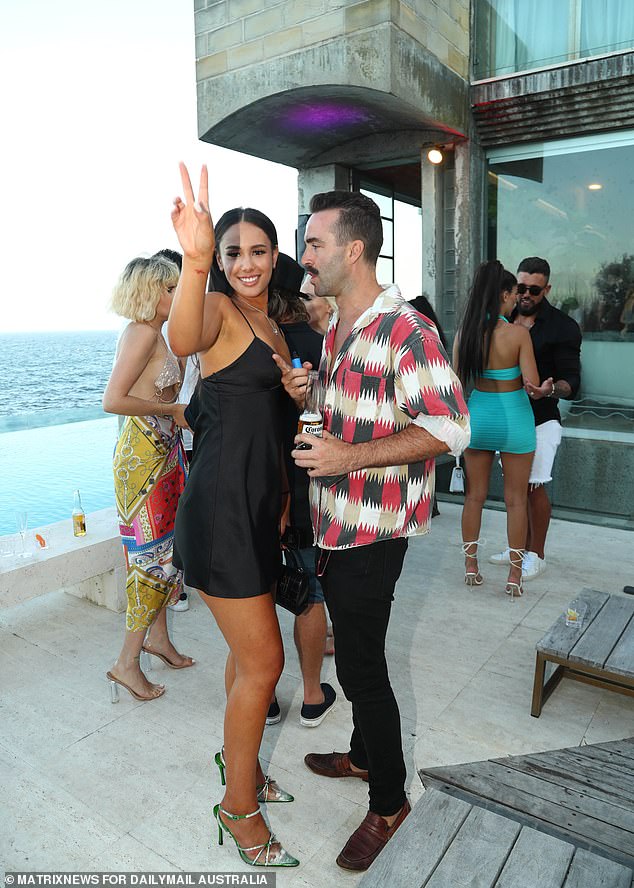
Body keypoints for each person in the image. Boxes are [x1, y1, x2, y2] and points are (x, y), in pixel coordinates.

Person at [273, 190, 470, 872]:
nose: (305, 257)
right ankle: (362, 756)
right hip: (334, 522)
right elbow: (358, 405)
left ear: (353, 249)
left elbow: (450, 428)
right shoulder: (337, 329)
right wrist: (311, 393)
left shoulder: (407, 331)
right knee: (354, 656)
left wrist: (348, 458)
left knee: (361, 667)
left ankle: (389, 802)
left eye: (314, 243)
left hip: (372, 532)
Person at [167, 164, 299, 869]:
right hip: (217, 511)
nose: (245, 263)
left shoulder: (270, 323)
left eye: (256, 251)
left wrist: (295, 385)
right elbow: (183, 338)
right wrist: (193, 268)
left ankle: (240, 772)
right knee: (265, 663)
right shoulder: (216, 307)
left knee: (246, 660)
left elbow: (268, 420)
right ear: (218, 260)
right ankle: (236, 808)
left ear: (274, 257)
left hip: (254, 509)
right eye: (231, 252)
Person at [103, 255, 194, 702]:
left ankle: (159, 640)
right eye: (171, 288)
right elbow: (113, 400)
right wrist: (170, 410)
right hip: (142, 461)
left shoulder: (156, 333)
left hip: (164, 454)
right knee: (148, 561)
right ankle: (126, 663)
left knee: (165, 555)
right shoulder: (141, 333)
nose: (178, 295)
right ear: (151, 292)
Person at [267, 253, 336, 728]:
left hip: (256, 489)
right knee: (309, 592)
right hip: (308, 488)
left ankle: (264, 696)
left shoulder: (243, 344)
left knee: (258, 594)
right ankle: (312, 696)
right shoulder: (322, 345)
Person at [489, 257, 581, 578]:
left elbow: (573, 382)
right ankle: (518, 547)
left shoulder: (563, 327)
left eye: (535, 289)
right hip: (509, 419)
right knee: (515, 489)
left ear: (547, 288)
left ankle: (536, 554)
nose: (526, 294)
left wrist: (550, 388)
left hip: (542, 420)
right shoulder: (504, 318)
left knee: (532, 487)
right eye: (521, 287)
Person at [453, 260, 539, 597]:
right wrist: (544, 390)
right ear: (503, 295)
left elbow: (455, 383)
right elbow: (531, 384)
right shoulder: (519, 334)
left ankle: (471, 568)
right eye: (514, 295)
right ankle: (514, 576)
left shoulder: (466, 333)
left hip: (479, 417)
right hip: (514, 417)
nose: (516, 300)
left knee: (474, 497)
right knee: (516, 500)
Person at [153, 248, 191, 613]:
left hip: (179, 436)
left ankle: (177, 585)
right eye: (170, 286)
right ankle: (174, 591)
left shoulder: (188, 319)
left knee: (177, 515)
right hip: (162, 436)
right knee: (163, 524)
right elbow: (116, 399)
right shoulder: (151, 330)